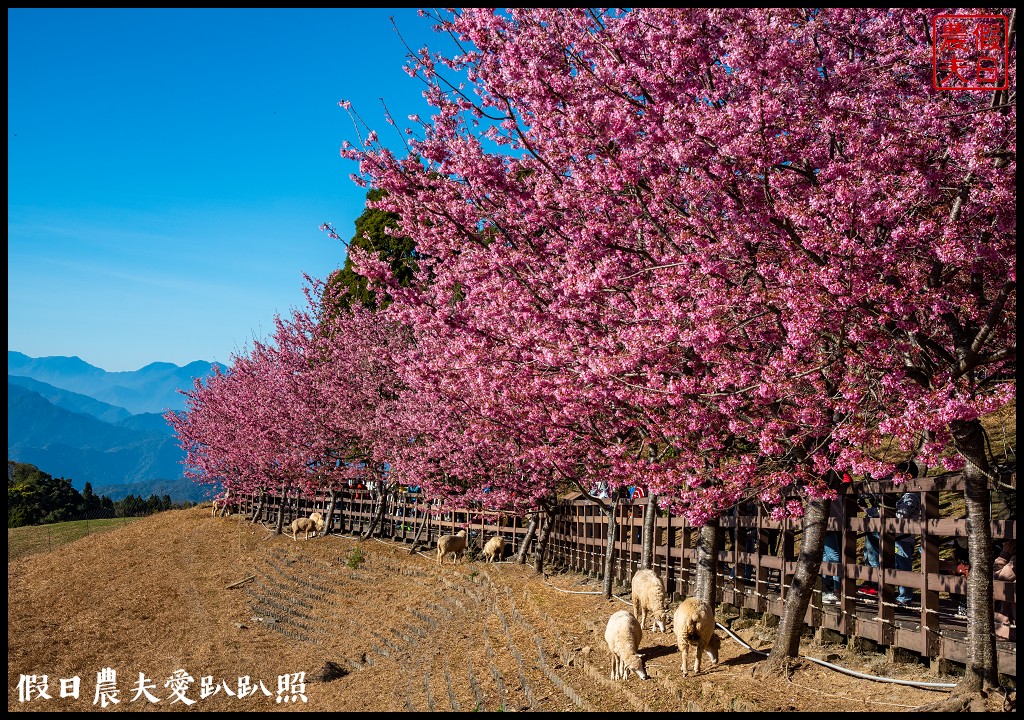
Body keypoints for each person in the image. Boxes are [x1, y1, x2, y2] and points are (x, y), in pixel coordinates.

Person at [857, 461, 920, 607]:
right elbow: (888, 512)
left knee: (903, 567)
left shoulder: (912, 496)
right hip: (895, 536)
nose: (893, 479)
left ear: (908, 476)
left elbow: (899, 515)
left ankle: (905, 598)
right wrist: (867, 510)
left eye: (896, 475)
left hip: (903, 537)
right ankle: (889, 592)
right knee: (892, 565)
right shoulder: (903, 495)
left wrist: (875, 511)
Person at [993, 539, 1016, 641]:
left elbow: (995, 580)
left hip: (1010, 631)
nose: (1004, 544)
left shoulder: (1014, 563)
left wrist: (1004, 555)